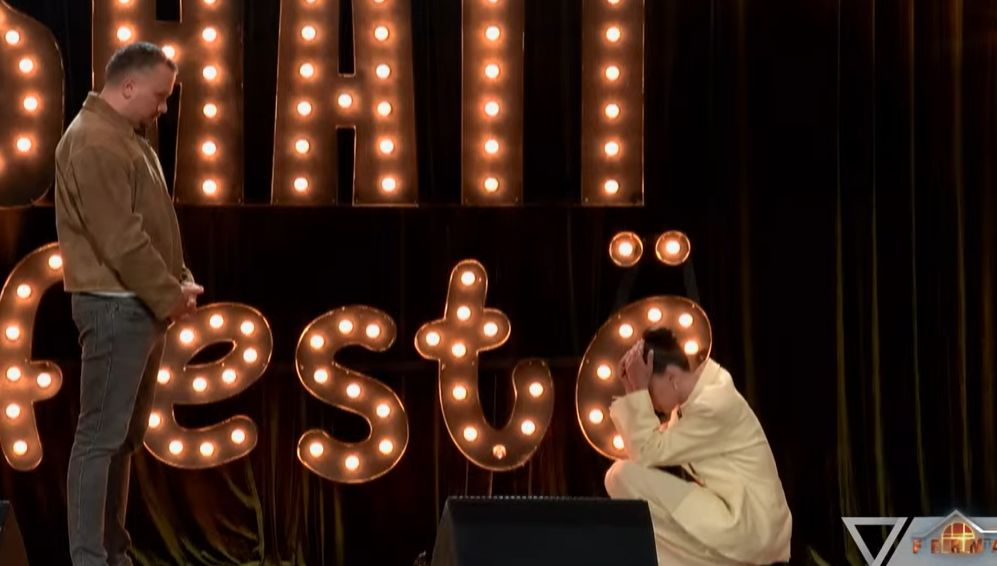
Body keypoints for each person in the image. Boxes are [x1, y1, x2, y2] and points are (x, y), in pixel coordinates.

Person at [54, 42, 204, 566]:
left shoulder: (125, 138)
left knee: (119, 439)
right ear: (129, 85)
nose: (163, 107)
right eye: (159, 96)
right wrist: (169, 294)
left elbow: (151, 225)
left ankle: (112, 552)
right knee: (100, 438)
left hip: (136, 306)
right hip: (115, 307)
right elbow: (120, 239)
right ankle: (90, 558)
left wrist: (178, 281)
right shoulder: (94, 142)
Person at [605, 327, 792, 566]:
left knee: (622, 475)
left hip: (754, 526)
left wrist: (637, 390)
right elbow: (643, 451)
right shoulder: (691, 404)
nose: (649, 402)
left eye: (648, 390)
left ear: (671, 377)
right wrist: (632, 387)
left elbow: (646, 452)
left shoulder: (713, 404)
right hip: (740, 520)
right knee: (621, 478)